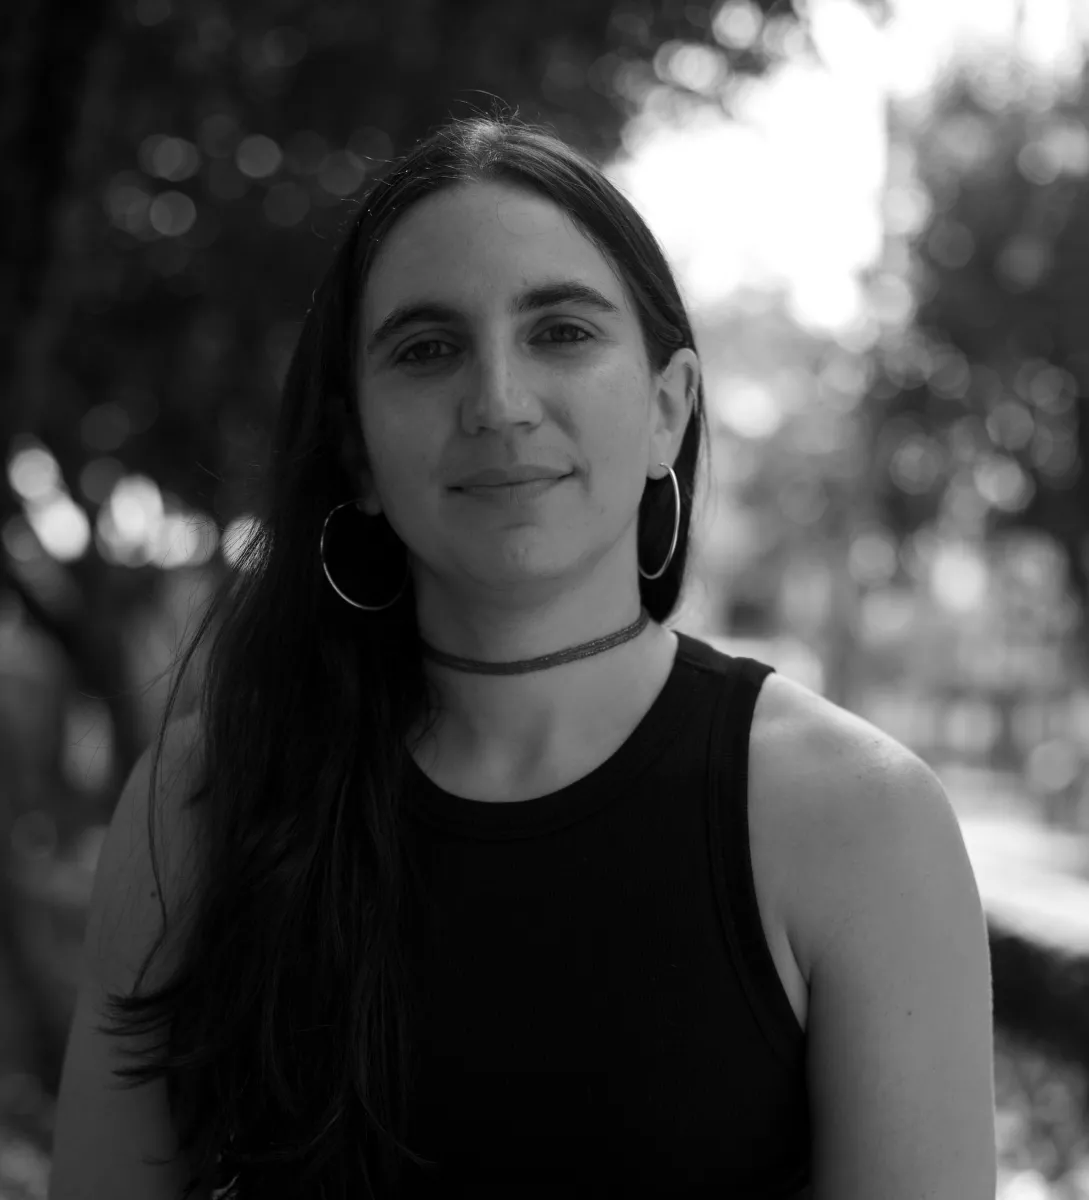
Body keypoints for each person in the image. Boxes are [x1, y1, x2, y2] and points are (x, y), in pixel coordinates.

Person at [49, 113, 997, 1199]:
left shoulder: (860, 822)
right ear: (355, 448)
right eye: (427, 349)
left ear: (665, 408)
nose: (498, 402)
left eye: (562, 332)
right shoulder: (197, 806)